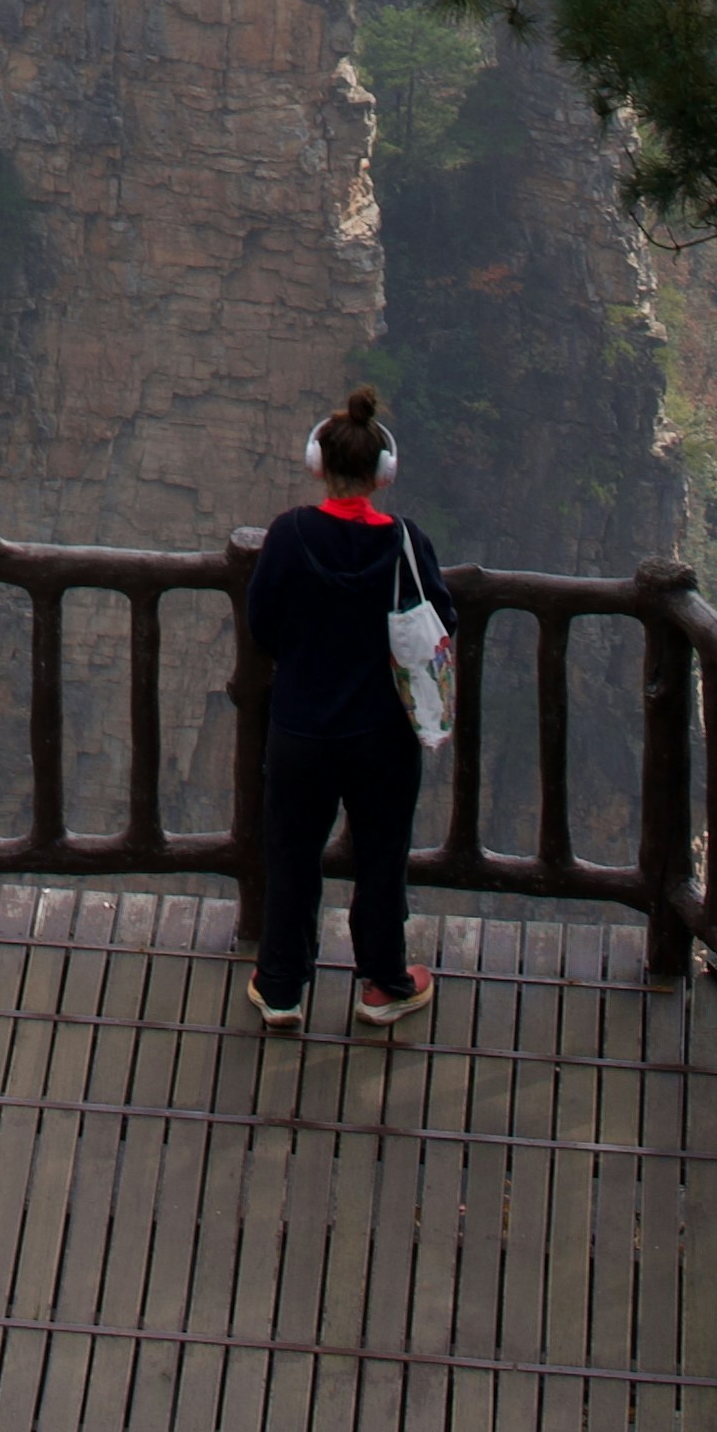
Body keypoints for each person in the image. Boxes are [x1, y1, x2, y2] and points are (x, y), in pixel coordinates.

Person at [245, 382, 456, 1037]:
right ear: (382, 474)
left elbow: (263, 624)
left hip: (301, 726)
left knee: (291, 852)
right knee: (382, 856)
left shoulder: (288, 535)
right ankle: (383, 985)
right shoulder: (405, 542)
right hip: (381, 733)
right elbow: (439, 619)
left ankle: (282, 989)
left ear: (319, 465)